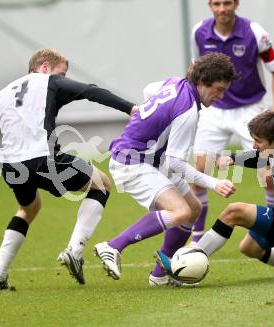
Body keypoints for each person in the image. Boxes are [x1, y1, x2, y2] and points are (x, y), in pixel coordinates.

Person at [0, 48, 137, 290]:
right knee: (101, 183)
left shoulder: (4, 94)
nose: (64, 80)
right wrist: (130, 108)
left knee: (29, 208)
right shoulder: (50, 82)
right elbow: (90, 90)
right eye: (62, 74)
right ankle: (75, 250)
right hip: (43, 158)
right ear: (45, 67)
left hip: (11, 166)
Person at [93, 52, 238, 286]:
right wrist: (214, 183)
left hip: (150, 160)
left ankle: (160, 275)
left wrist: (150, 116)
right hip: (132, 162)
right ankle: (112, 246)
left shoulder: (175, 82)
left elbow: (150, 90)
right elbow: (176, 163)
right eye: (218, 89)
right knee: (180, 211)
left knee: (194, 207)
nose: (221, 96)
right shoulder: (188, 111)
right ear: (203, 81)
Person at [190, 0, 274, 254]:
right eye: (216, 3)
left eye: (227, 3)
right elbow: (196, 71)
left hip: (250, 108)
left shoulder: (255, 33)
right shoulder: (199, 32)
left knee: (268, 169)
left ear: (236, 4)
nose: (222, 9)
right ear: (209, 5)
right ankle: (196, 239)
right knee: (199, 169)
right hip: (214, 108)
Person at [189, 111, 274, 283]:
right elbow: (263, 156)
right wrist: (234, 158)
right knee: (249, 248)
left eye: (258, 141)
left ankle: (189, 262)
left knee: (234, 211)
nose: (254, 145)